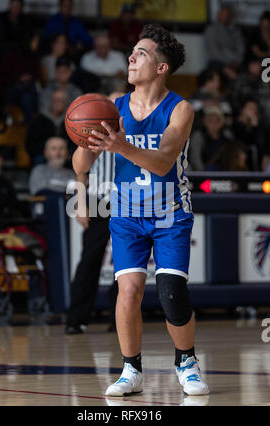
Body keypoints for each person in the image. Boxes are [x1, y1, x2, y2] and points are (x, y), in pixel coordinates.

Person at [72, 24, 209, 396]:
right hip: (128, 214)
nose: (131, 57)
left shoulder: (180, 109)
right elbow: (80, 165)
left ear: (162, 67)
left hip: (170, 213)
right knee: (128, 291)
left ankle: (187, 360)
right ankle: (131, 369)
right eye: (132, 52)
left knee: (171, 293)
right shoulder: (112, 106)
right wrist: (86, 138)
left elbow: (164, 161)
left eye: (141, 53)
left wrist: (119, 145)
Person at [65, 150, 117, 335]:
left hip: (127, 201)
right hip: (98, 201)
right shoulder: (94, 125)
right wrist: (80, 202)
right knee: (88, 262)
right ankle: (76, 319)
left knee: (126, 265)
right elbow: (81, 170)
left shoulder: (134, 123)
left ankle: (120, 319)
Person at [0, 30, 41, 123]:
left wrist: (28, 78)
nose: (37, 44)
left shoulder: (34, 58)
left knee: (27, 97)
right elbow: (1, 77)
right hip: (11, 91)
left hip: (26, 92)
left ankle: (28, 126)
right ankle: (37, 115)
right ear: (28, 42)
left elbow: (36, 75)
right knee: (30, 87)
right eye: (35, 41)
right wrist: (18, 79)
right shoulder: (11, 56)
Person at [26, 89, 75, 165]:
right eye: (56, 100)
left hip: (66, 157)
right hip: (43, 157)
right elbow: (30, 144)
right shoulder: (38, 121)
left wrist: (66, 151)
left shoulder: (71, 121)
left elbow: (74, 143)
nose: (58, 103)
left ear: (66, 103)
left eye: (61, 100)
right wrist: (47, 150)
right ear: (51, 101)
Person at [204, 5, 244, 80]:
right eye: (224, 14)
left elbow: (241, 49)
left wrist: (236, 61)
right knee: (215, 66)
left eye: (228, 15)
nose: (226, 17)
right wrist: (229, 63)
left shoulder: (235, 31)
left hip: (235, 64)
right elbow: (214, 52)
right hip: (218, 64)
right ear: (218, 15)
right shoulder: (211, 30)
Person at [0, 0, 29, 67]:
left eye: (18, 6)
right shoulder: (1, 18)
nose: (16, 8)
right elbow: (1, 40)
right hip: (1, 52)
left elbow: (26, 38)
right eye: (14, 5)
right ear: (10, 5)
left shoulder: (24, 20)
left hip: (18, 52)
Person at [188, 106, 231, 171]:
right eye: (210, 121)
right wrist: (204, 174)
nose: (213, 124)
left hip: (224, 175)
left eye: (217, 121)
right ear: (204, 122)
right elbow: (195, 157)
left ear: (221, 123)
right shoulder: (198, 136)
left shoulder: (226, 137)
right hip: (203, 174)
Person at [232, 98, 267, 170]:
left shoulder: (260, 125)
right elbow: (244, 141)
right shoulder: (236, 125)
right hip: (240, 160)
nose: (252, 111)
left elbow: (260, 144)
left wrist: (255, 127)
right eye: (250, 108)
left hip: (257, 160)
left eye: (254, 109)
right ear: (243, 110)